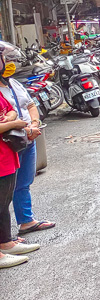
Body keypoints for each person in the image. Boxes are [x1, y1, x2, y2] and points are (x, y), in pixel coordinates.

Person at [0, 52, 51, 235]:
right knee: (5, 190)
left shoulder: (14, 83)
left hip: (27, 138)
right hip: (9, 142)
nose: (7, 64)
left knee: (24, 182)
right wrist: (22, 127)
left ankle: (26, 221)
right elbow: (7, 117)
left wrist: (34, 123)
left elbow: (29, 105)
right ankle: (5, 240)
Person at [0, 84, 39, 269]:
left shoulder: (8, 86)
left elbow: (11, 110)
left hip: (7, 154)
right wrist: (13, 124)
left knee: (3, 203)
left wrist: (9, 118)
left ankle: (6, 243)